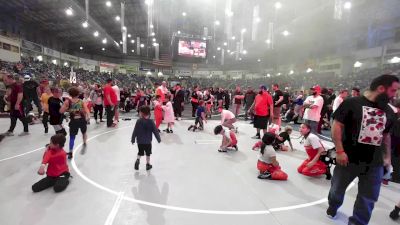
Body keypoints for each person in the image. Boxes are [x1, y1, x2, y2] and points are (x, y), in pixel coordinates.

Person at [326, 75, 399, 225]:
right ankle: (333, 206)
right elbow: (337, 126)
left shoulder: (389, 111)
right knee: (336, 191)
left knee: (368, 198)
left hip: (374, 163)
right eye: (393, 90)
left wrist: (387, 159)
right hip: (348, 159)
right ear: (381, 88)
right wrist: (339, 151)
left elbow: (386, 136)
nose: (394, 94)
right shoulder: (351, 103)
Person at [60, 87, 90, 159]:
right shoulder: (81, 101)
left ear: (70, 94)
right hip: (82, 120)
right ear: (78, 94)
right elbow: (87, 110)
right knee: (84, 132)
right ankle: (84, 142)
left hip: (74, 121)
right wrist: (88, 116)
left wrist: (68, 109)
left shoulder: (68, 102)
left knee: (72, 137)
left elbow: (61, 111)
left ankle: (70, 152)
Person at [132, 105, 161, 171]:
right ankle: (148, 164)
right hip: (148, 141)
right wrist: (158, 139)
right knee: (148, 153)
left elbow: (135, 131)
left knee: (140, 152)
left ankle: (137, 160)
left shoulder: (138, 121)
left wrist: (133, 139)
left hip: (140, 141)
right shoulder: (151, 122)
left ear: (141, 113)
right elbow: (155, 131)